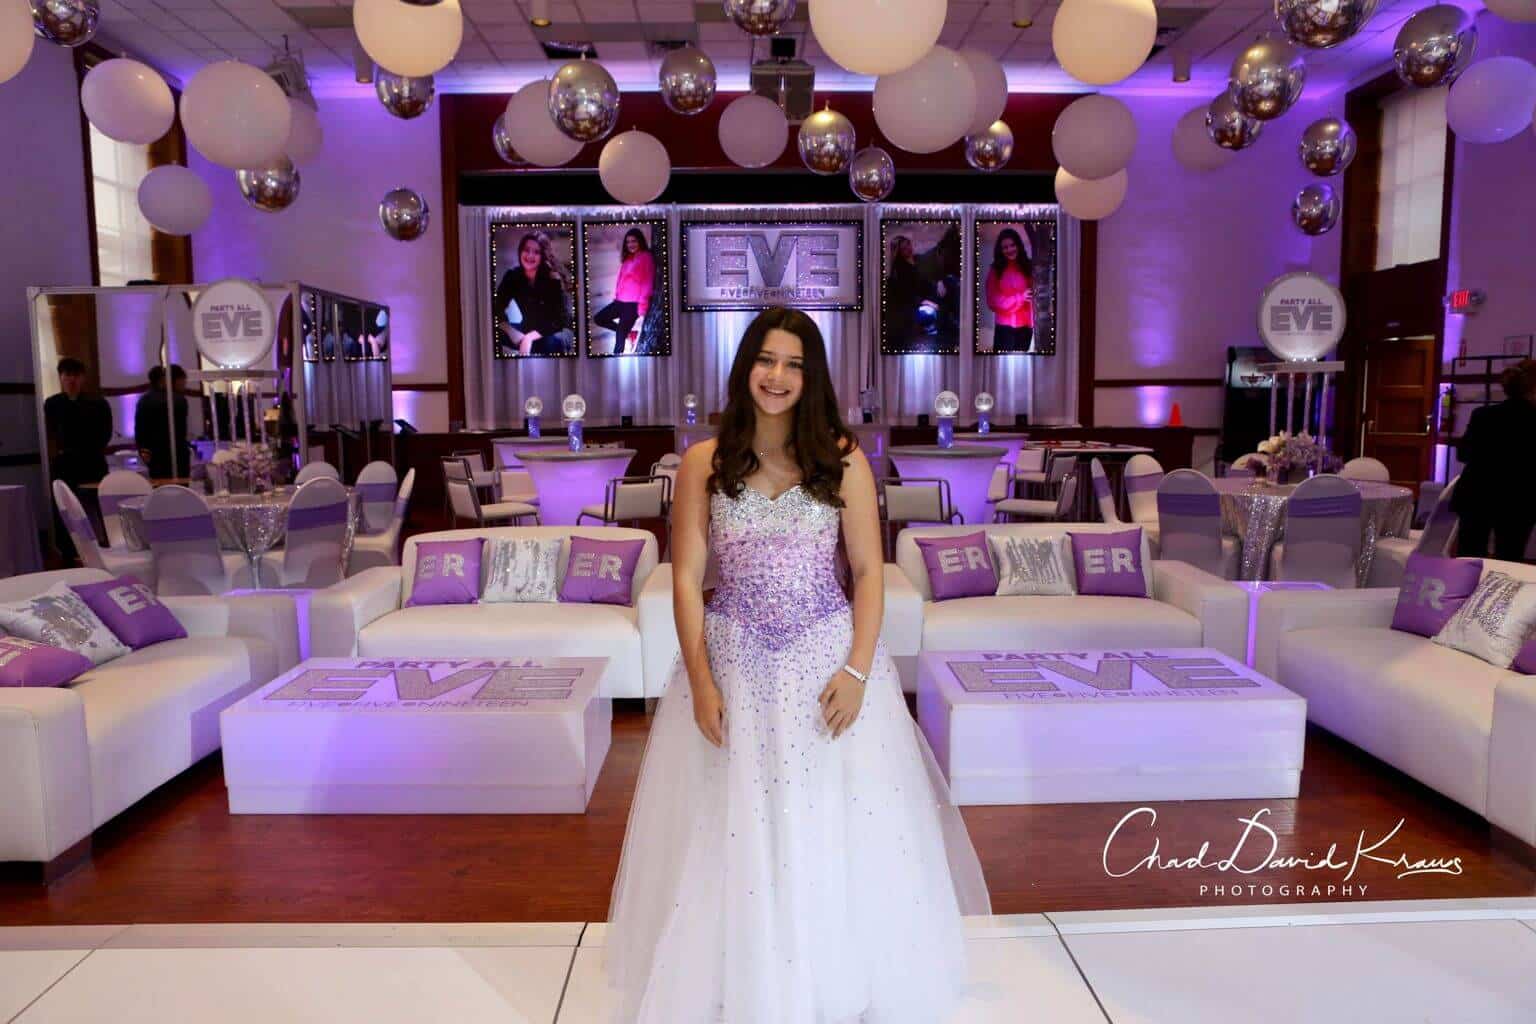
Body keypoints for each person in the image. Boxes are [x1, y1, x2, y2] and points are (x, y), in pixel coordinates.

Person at [605, 307, 990, 1023]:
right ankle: (742, 977)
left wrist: (858, 671)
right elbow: (685, 578)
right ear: (745, 366)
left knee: (830, 817)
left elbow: (869, 573)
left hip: (825, 662)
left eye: (794, 365)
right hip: (736, 661)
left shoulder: (841, 458)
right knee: (733, 823)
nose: (777, 376)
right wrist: (700, 680)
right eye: (766, 359)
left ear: (811, 378)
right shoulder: (704, 462)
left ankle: (831, 980)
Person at [1454, 358, 1536, 561]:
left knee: (1468, 560)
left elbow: (1463, 454)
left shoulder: (1482, 414)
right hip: (1519, 501)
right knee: (1508, 562)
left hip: (1476, 495)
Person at [494, 231, 574, 357]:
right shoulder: (512, 276)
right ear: (520, 251)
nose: (530, 255)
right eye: (526, 250)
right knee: (493, 331)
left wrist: (529, 338)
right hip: (528, 328)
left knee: (548, 342)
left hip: (558, 331)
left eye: (536, 252)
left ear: (543, 256)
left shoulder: (553, 278)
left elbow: (557, 321)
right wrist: (511, 331)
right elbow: (495, 308)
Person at [591, 228, 655, 355]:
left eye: (634, 241)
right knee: (599, 318)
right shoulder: (628, 258)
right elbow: (621, 279)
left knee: (619, 343)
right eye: (628, 242)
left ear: (640, 241)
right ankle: (629, 333)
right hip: (620, 302)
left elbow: (647, 283)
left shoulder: (646, 257)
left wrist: (642, 306)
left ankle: (617, 359)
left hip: (633, 305)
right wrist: (617, 296)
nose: (631, 244)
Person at [135, 364, 191, 480]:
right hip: (176, 454)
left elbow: (140, 431)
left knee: (160, 488)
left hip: (154, 455)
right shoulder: (178, 400)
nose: (185, 384)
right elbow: (180, 431)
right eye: (183, 380)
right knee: (180, 487)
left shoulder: (144, 400)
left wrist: (144, 452)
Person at [984, 227, 1035, 353]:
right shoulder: (995, 270)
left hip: (1026, 327)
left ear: (1018, 245)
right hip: (1004, 328)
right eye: (1005, 247)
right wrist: (1020, 297)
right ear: (1000, 250)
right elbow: (993, 300)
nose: (1010, 249)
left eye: (1013, 245)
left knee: (1021, 363)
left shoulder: (1028, 266)